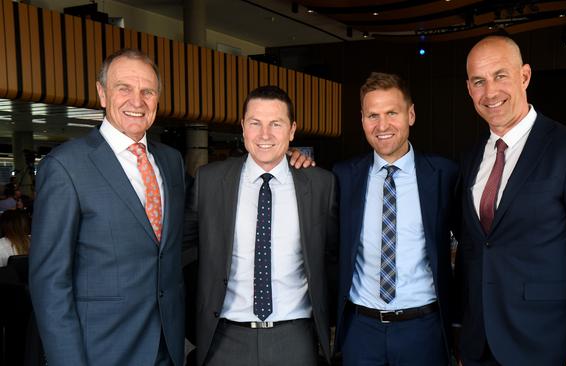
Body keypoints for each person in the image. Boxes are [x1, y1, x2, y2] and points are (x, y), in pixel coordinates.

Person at [457, 35, 566, 365]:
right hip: (479, 345)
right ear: (469, 88)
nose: (490, 92)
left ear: (525, 76)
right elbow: (475, 249)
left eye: (500, 76)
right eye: (479, 81)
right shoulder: (471, 158)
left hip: (549, 344)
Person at [29, 49, 186, 366]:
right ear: (102, 93)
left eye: (147, 91)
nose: (137, 101)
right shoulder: (65, 166)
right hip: (100, 351)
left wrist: (284, 163)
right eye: (123, 88)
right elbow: (49, 283)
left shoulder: (171, 161)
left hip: (168, 349)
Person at [186, 85, 337, 366]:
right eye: (255, 123)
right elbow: (183, 251)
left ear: (292, 130)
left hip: (295, 338)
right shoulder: (208, 180)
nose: (264, 135)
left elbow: (332, 257)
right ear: (243, 127)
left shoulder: (320, 185)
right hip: (225, 338)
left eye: (276, 124)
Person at [333, 72, 458, 365]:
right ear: (362, 119)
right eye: (372, 115)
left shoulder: (444, 174)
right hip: (360, 330)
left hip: (423, 329)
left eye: (392, 113)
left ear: (410, 114)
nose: (382, 125)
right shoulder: (342, 176)